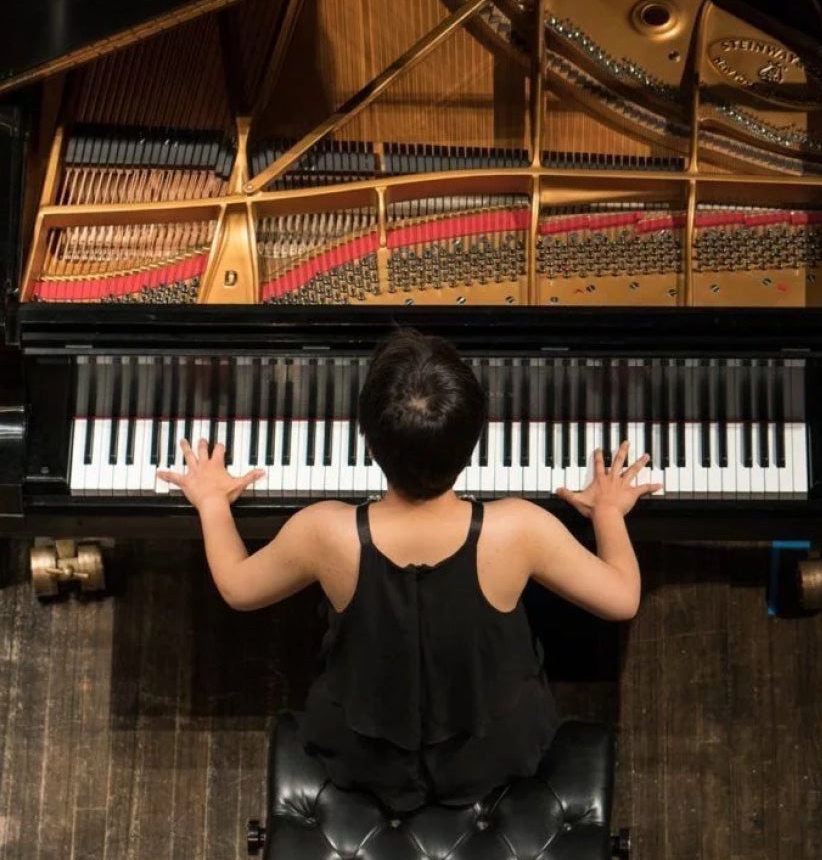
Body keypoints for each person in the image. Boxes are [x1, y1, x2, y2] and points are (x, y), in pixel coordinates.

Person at [157, 330, 661, 811]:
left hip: (365, 756)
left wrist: (211, 503)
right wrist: (610, 514)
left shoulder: (325, 532)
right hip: (489, 752)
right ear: (474, 447)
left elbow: (237, 587)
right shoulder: (519, 529)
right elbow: (623, 599)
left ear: (369, 446)